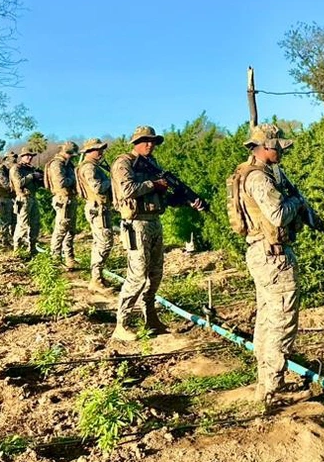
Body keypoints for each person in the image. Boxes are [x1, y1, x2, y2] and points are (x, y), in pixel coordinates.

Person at [229, 124, 320, 410]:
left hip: (262, 254)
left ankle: (265, 383)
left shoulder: (251, 173)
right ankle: (272, 390)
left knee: (268, 319)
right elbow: (278, 215)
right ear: (266, 146)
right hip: (274, 256)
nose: (282, 151)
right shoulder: (259, 178)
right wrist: (296, 201)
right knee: (281, 320)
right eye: (278, 146)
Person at [110, 125, 206, 342]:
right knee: (136, 276)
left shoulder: (152, 164)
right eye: (146, 140)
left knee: (155, 274)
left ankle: (150, 318)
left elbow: (162, 197)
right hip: (136, 223)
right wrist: (153, 184)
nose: (150, 144)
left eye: (153, 141)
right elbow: (126, 190)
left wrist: (186, 200)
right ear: (136, 142)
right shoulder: (124, 163)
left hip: (154, 222)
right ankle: (121, 324)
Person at [76, 138, 113, 292]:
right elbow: (97, 187)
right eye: (98, 150)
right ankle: (96, 279)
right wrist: (113, 181)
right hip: (98, 208)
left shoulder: (92, 166)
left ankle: (97, 277)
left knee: (100, 242)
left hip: (98, 208)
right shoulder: (89, 168)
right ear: (90, 152)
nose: (101, 152)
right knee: (104, 242)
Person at [45, 141, 79, 268]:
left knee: (70, 231)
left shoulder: (68, 164)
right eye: (70, 154)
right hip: (62, 200)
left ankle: (69, 257)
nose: (72, 157)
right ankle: (55, 259)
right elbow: (61, 182)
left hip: (70, 199)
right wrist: (74, 179)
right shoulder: (56, 164)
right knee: (60, 230)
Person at [10, 147, 43, 257]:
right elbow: (19, 183)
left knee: (35, 223)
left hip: (33, 198)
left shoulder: (31, 169)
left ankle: (32, 248)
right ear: (22, 157)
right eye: (27, 155)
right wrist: (31, 176)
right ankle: (17, 249)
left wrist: (39, 178)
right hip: (23, 198)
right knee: (22, 224)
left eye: (31, 156)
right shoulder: (16, 168)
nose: (29, 157)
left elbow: (38, 185)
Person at [0, 150, 17, 248]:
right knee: (6, 221)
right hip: (4, 200)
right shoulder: (0, 172)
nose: (13, 162)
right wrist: (19, 185)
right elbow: (6, 185)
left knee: (14, 221)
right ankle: (5, 241)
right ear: (6, 160)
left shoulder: (9, 171)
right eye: (11, 160)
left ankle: (13, 240)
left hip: (11, 199)